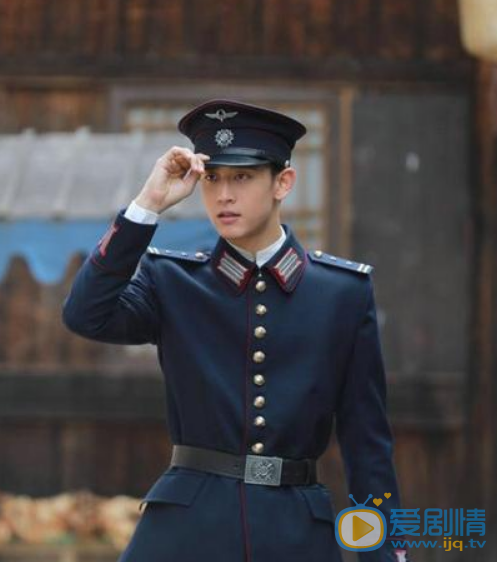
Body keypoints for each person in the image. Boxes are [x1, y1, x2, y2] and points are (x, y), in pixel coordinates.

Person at [62, 99, 410, 562]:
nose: (223, 195)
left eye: (242, 177)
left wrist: (385, 556)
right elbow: (85, 314)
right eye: (212, 179)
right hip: (183, 535)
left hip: (296, 535)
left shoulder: (342, 293)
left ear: (283, 182)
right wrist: (147, 205)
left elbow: (367, 447)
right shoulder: (171, 280)